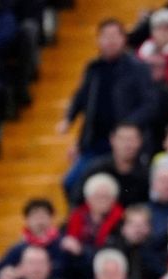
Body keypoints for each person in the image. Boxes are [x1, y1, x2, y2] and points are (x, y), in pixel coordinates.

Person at [58, 18, 156, 196]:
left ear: (123, 39)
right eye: (105, 36)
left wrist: (128, 126)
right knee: (71, 183)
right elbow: (81, 96)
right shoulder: (93, 68)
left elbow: (151, 103)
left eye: (115, 36)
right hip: (95, 142)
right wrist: (69, 118)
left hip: (125, 145)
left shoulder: (138, 68)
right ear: (98, 40)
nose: (110, 41)